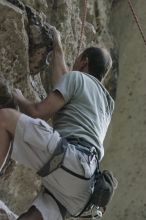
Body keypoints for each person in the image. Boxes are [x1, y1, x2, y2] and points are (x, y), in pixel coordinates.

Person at [0, 27, 114, 220]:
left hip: (71, 160)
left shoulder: (76, 78)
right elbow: (64, 79)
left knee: (5, 117)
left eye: (77, 59)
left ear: (84, 62)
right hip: (84, 193)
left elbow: (37, 112)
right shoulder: (107, 104)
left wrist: (18, 98)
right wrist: (58, 46)